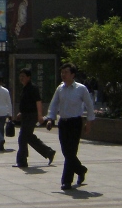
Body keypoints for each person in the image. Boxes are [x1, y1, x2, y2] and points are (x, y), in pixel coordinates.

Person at [44, 63, 95, 191]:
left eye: (66, 72)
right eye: (62, 72)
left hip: (75, 123)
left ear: (73, 74)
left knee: (71, 152)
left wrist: (89, 122)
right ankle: (81, 170)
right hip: (63, 123)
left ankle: (66, 181)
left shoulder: (81, 89)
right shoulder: (60, 89)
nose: (63, 75)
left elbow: (89, 106)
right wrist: (50, 119)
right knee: (66, 152)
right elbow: (54, 104)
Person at [14, 68, 55, 168]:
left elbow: (38, 102)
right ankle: (48, 152)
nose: (21, 78)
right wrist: (21, 113)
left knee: (22, 138)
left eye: (23, 76)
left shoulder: (33, 88)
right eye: (20, 76)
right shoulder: (25, 88)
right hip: (26, 115)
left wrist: (40, 115)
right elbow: (26, 103)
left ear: (29, 77)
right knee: (29, 137)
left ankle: (22, 161)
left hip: (31, 116)